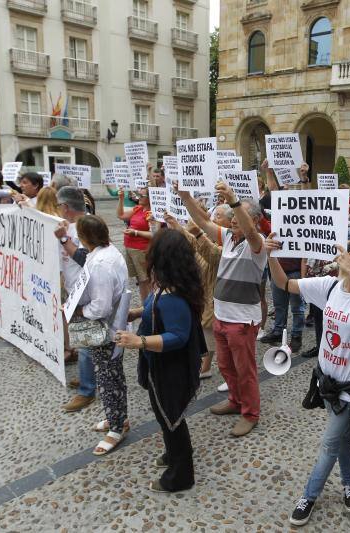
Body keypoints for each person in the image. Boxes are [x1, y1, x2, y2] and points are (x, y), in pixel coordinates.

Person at [265, 235, 350, 526]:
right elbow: (285, 284)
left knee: (330, 443)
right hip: (327, 383)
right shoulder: (329, 286)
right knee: (342, 440)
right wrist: (271, 256)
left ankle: (309, 496)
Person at [115, 229, 206, 493]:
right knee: (166, 416)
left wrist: (140, 342)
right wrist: (137, 313)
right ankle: (173, 453)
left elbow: (178, 336)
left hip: (171, 369)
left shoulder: (174, 295)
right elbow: (156, 307)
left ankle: (180, 475)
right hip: (161, 365)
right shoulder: (169, 285)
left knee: (171, 417)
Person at [178, 181, 267, 437]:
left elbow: (250, 232)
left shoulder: (256, 242)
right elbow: (202, 223)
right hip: (222, 315)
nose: (233, 219)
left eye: (240, 216)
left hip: (242, 320)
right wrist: (186, 198)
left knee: (245, 370)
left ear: (255, 220)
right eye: (233, 216)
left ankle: (250, 413)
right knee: (226, 366)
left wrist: (234, 200)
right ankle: (235, 400)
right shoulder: (228, 236)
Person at [73, 215, 129, 456]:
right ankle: (117, 417)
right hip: (113, 326)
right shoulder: (109, 251)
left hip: (105, 329)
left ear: (85, 237)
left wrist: (78, 310)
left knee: (107, 378)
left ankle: (116, 427)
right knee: (113, 375)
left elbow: (101, 307)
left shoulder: (100, 263)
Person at [164, 204, 233, 379]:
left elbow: (212, 254)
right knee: (206, 331)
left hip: (219, 296)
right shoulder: (213, 236)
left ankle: (230, 376)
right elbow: (195, 244)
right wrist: (177, 226)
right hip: (204, 292)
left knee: (219, 338)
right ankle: (207, 365)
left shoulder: (230, 240)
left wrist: (198, 232)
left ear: (230, 221)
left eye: (218, 216)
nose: (213, 218)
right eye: (214, 214)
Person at [54, 187, 96, 411]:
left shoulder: (87, 226)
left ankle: (87, 390)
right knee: (84, 339)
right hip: (73, 289)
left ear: (66, 206)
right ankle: (87, 373)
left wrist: (62, 240)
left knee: (86, 339)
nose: (58, 209)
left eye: (59, 205)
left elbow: (86, 258)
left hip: (86, 291)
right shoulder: (67, 224)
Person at [259, 255, 306, 352]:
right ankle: (278, 331)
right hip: (277, 271)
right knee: (279, 306)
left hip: (295, 271)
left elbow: (304, 255)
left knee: (297, 308)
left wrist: (303, 277)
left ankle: (296, 335)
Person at [117, 187, 152, 301]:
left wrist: (136, 232)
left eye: (142, 196)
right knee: (140, 280)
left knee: (146, 280)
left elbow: (154, 234)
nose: (138, 197)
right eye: (139, 195)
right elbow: (121, 215)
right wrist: (121, 199)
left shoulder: (151, 213)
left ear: (150, 198)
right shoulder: (138, 208)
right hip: (131, 248)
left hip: (141, 249)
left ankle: (149, 306)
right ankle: (144, 305)